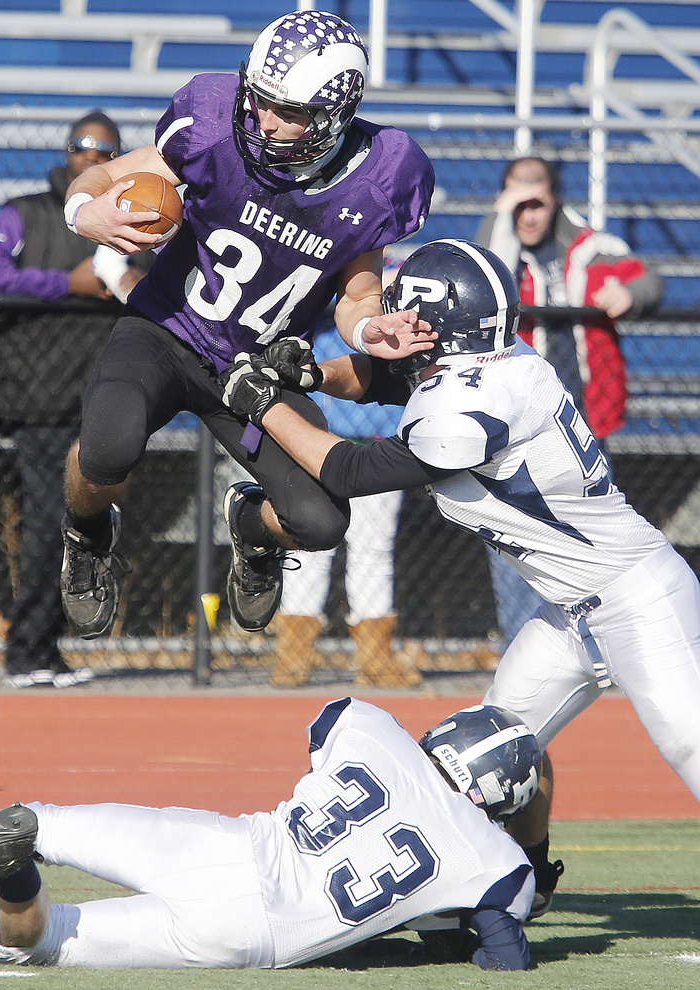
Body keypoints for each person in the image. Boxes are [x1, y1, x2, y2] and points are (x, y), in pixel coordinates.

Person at [218, 237, 700, 919]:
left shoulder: (470, 406)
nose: (396, 324)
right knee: (495, 753)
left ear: (438, 320)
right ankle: (531, 878)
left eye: (408, 312)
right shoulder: (494, 367)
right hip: (571, 616)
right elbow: (386, 379)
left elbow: (349, 472)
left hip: (638, 597)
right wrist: (308, 378)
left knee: (692, 743)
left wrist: (264, 406)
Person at [56, 10, 436, 644]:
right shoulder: (213, 123)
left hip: (253, 372)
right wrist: (82, 209)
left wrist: (369, 330)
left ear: (333, 114)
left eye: (285, 111)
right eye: (257, 100)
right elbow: (106, 176)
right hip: (165, 330)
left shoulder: (382, 176)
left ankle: (255, 534)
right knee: (107, 446)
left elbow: (357, 291)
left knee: (320, 522)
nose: (262, 121)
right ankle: (86, 536)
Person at [0, 699, 541, 971]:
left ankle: (0, 850)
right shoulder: (495, 860)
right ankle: (15, 880)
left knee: (42, 823)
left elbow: (324, 731)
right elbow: (505, 958)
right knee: (41, 941)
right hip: (251, 935)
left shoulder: (372, 726)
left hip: (225, 845)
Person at [0, 111, 150, 689]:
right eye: (82, 147)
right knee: (51, 521)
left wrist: (125, 283)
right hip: (36, 392)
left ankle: (42, 649)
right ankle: (29, 652)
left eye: (105, 151)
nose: (92, 159)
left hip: (97, 395)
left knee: (75, 521)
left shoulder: (139, 216)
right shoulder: (26, 212)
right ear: (66, 151)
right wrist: (63, 285)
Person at [474, 155, 663, 647]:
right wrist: (502, 217)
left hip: (585, 417)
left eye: (537, 202)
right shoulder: (497, 251)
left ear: (555, 199)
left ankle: (606, 640)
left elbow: (646, 278)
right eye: (519, 203)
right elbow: (485, 272)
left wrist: (631, 292)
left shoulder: (591, 248)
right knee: (514, 539)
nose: (529, 216)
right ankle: (523, 642)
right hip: (515, 423)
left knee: (597, 535)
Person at [274, 326, 416, 688]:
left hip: (381, 434)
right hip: (316, 429)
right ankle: (292, 657)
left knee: (373, 547)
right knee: (309, 542)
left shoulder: (404, 273)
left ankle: (375, 659)